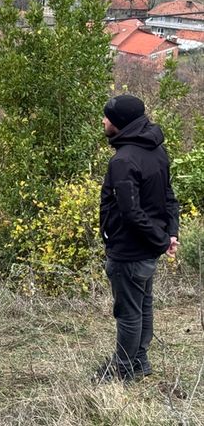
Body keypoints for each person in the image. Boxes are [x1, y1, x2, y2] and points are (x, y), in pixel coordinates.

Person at [96, 94, 179, 382]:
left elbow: (131, 212)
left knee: (128, 313)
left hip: (129, 251)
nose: (103, 121)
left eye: (107, 117)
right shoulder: (156, 150)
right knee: (143, 305)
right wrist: (169, 234)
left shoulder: (123, 160)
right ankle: (139, 363)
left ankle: (121, 371)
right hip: (147, 249)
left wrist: (161, 239)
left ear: (120, 123)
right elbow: (169, 197)